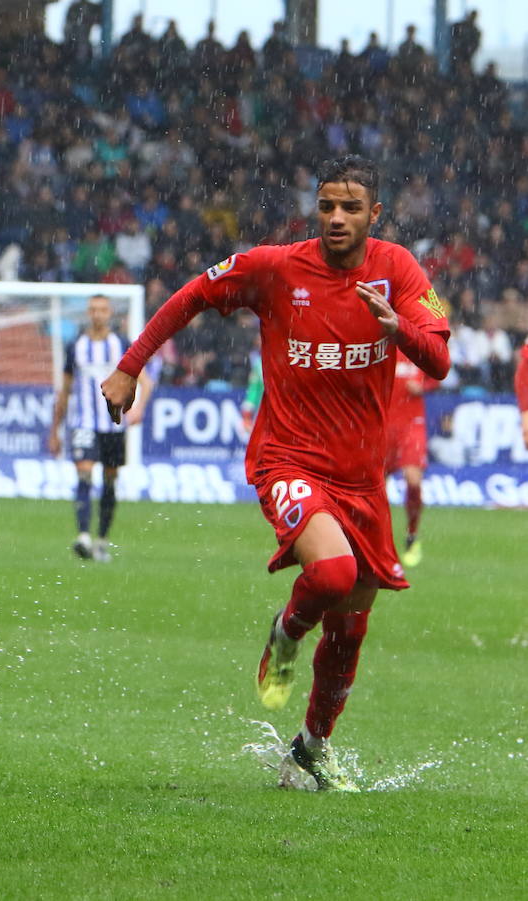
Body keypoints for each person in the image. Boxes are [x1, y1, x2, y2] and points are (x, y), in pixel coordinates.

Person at [101, 156, 450, 791]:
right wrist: (131, 365)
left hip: (362, 479)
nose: (336, 218)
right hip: (287, 459)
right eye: (326, 206)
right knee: (332, 574)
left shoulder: (397, 270)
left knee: (352, 622)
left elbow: (440, 357)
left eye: (350, 208)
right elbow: (193, 295)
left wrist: (397, 328)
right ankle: (286, 633)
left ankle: (310, 749)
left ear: (376, 214)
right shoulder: (276, 267)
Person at [48, 294, 153, 562]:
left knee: (109, 480)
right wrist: (54, 430)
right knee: (84, 472)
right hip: (83, 422)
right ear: (88, 313)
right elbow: (65, 391)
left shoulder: (121, 344)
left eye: (102, 309)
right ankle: (83, 536)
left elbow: (146, 382)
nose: (98, 314)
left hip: (113, 426)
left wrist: (138, 408)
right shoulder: (76, 347)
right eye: (93, 309)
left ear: (109, 313)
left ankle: (102, 541)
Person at [384, 349, 439, 566]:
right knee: (376, 487)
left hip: (411, 426)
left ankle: (412, 534)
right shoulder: (382, 346)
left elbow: (438, 375)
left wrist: (424, 387)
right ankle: (379, 541)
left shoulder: (417, 348)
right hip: (383, 425)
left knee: (413, 481)